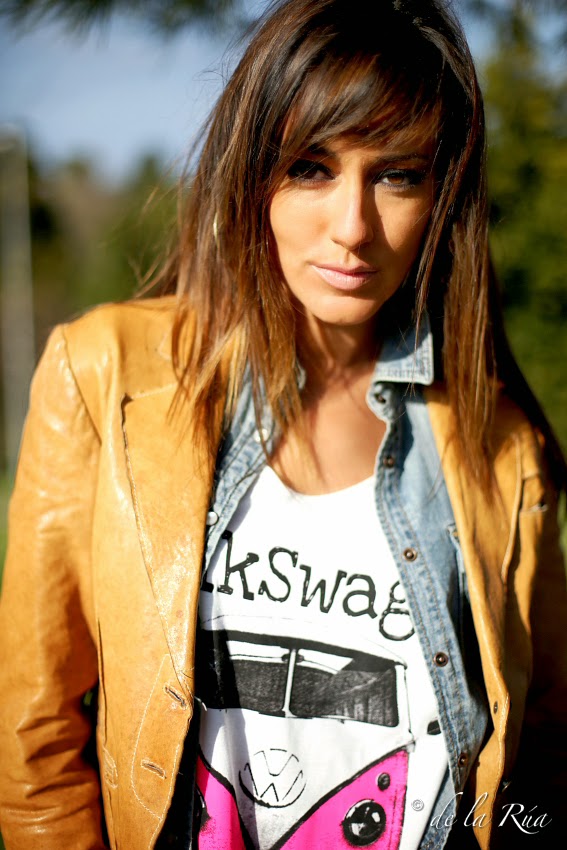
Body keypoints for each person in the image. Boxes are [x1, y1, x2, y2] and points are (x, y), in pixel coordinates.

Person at [0, 0, 566, 848]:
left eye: (397, 176)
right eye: (310, 167)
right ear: (250, 171)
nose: (352, 228)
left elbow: (545, 751)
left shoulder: (501, 447)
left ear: (442, 196)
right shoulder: (104, 376)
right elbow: (34, 740)